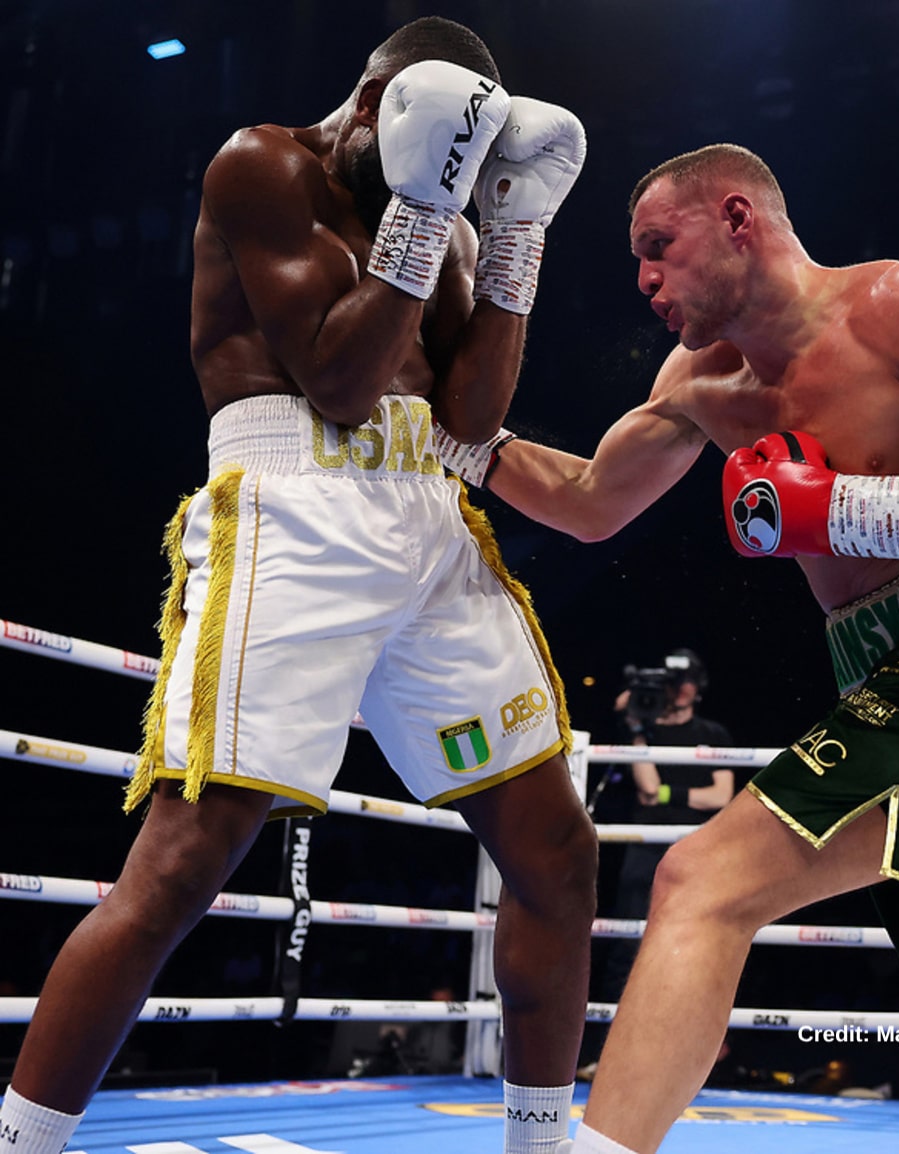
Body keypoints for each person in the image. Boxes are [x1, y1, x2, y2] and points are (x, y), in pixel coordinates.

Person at [434, 143, 899, 1151]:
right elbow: (587, 502)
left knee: (702, 882)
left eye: (659, 245)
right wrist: (442, 436)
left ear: (738, 217)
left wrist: (837, 508)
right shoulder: (699, 381)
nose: (645, 279)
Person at [0, 17, 596, 1154]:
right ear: (373, 104)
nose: (451, 179)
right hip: (295, 509)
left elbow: (470, 421)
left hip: (425, 514)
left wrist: (516, 236)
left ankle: (540, 1145)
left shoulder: (453, 227)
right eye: (443, 150)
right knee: (185, 863)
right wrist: (423, 206)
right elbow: (336, 380)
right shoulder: (264, 164)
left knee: (557, 853)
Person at [579, 649, 733, 1077]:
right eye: (671, 680)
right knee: (627, 947)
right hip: (645, 848)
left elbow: (720, 796)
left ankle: (684, 1058)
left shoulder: (713, 733)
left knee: (697, 948)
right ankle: (610, 1058)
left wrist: (667, 794)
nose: (677, 688)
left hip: (697, 848)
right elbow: (645, 787)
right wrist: (634, 726)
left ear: (698, 687)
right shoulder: (643, 732)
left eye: (685, 680)